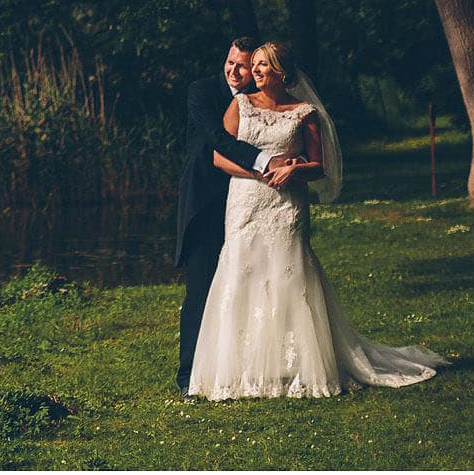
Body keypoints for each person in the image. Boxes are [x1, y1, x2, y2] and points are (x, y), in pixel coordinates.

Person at [186, 40, 447, 398]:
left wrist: (295, 172)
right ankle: (241, 369)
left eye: (263, 65)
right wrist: (261, 173)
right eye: (254, 65)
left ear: (282, 72)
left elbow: (318, 166)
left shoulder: (304, 113)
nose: (255, 72)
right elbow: (219, 158)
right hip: (246, 201)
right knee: (241, 273)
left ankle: (300, 366)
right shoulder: (240, 105)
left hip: (287, 206)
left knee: (289, 275)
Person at [175, 35, 276, 394]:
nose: (234, 71)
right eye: (230, 62)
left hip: (247, 204)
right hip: (206, 203)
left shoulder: (263, 101)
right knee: (200, 290)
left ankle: (240, 368)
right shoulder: (201, 91)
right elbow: (216, 138)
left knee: (247, 287)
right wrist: (266, 163)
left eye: (243, 66)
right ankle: (188, 377)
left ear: (256, 70)